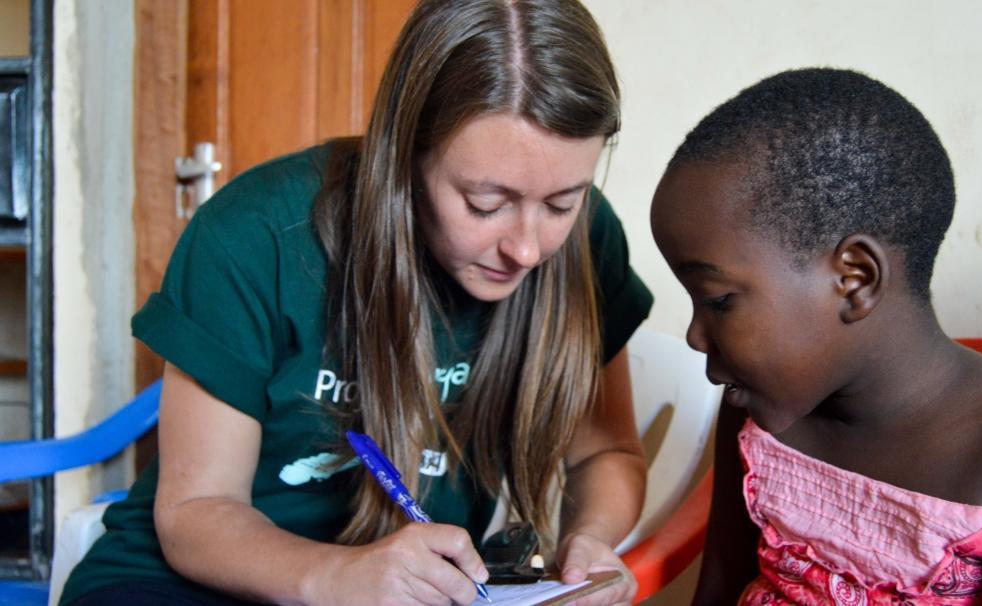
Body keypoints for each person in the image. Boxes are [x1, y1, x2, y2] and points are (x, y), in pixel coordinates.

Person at [61, 1, 651, 605]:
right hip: (179, 585)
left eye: (561, 203)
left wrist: (589, 544)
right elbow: (195, 514)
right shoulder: (253, 234)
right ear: (406, 154)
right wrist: (338, 576)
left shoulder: (588, 245)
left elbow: (607, 452)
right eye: (484, 203)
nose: (527, 249)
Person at [650, 68, 982, 605]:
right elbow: (716, 591)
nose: (696, 335)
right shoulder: (756, 410)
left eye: (716, 299)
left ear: (854, 278)